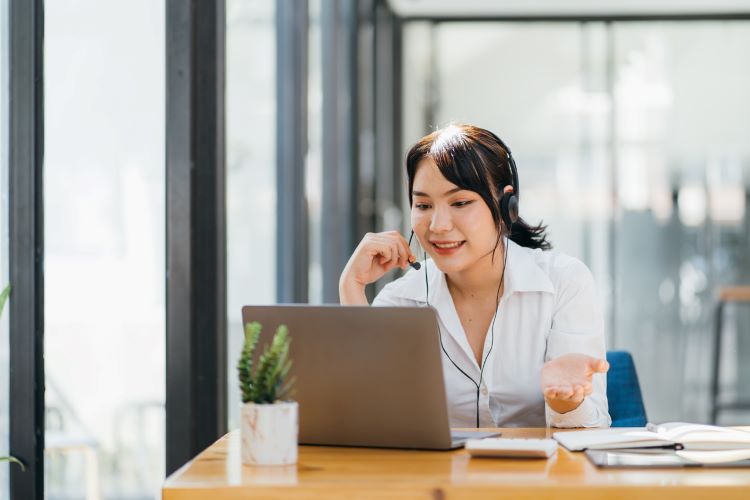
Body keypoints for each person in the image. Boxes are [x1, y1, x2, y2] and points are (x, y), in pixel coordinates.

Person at [339, 123, 611, 428]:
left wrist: (566, 402)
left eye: (460, 203)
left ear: (507, 205)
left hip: (537, 475)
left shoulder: (563, 282)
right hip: (438, 476)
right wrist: (352, 289)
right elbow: (366, 423)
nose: (438, 225)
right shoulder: (400, 301)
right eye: (424, 205)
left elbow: (592, 432)